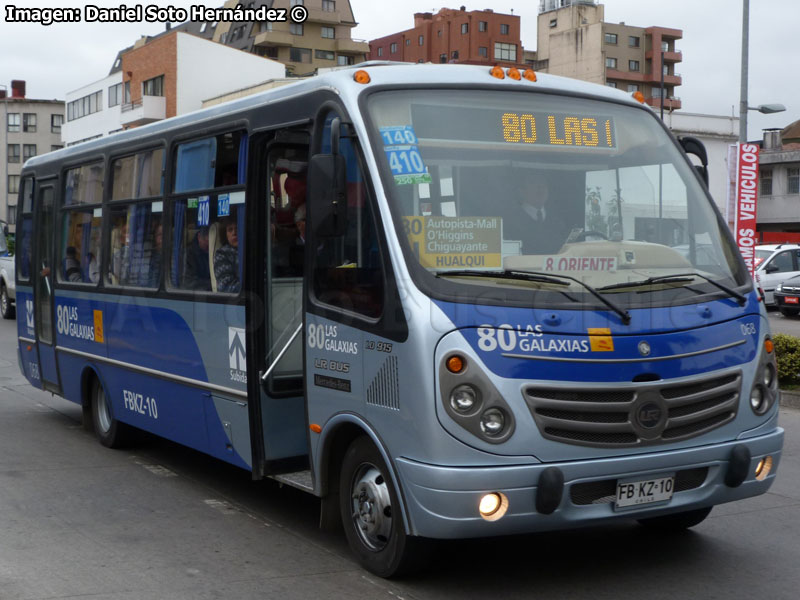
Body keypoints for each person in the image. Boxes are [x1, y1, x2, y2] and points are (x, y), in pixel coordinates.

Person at [506, 176, 569, 254]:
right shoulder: (511, 221)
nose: (540, 187)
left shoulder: (558, 221)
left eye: (544, 184)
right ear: (521, 191)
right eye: (533, 183)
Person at [214, 217, 241, 293]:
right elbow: (226, 287)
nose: (234, 233)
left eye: (237, 228)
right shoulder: (222, 254)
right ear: (225, 234)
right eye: (230, 230)